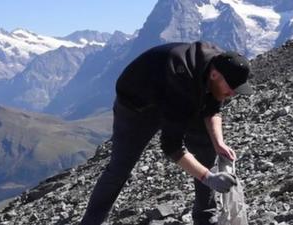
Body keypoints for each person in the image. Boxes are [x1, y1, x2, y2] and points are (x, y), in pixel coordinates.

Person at [79, 41, 253, 225]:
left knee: (206, 146)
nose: (233, 93)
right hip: (137, 108)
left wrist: (219, 143)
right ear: (214, 74)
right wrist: (208, 178)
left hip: (179, 95)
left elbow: (212, 108)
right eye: (231, 87)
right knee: (119, 169)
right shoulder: (182, 78)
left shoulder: (219, 65)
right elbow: (171, 146)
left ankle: (205, 217)